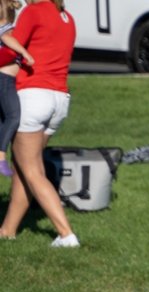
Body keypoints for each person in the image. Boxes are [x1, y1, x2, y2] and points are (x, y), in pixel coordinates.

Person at [0, 0, 75, 246]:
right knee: (24, 167)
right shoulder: (67, 18)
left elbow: (11, 47)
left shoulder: (33, 12)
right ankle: (8, 230)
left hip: (34, 97)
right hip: (59, 99)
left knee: (33, 171)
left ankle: (66, 234)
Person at [0, 0, 35, 176]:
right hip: (5, 80)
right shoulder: (7, 30)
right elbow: (6, 38)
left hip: (5, 80)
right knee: (13, 116)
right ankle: (0, 157)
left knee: (4, 119)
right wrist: (24, 52)